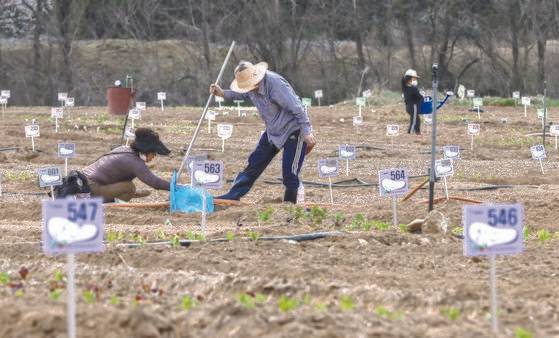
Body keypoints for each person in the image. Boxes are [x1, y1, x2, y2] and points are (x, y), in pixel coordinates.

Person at [209, 61, 316, 203]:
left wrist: (307, 131)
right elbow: (243, 96)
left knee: (290, 172)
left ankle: (290, 207)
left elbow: (297, 107)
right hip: (273, 131)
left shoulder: (275, 85)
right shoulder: (250, 90)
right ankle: (234, 195)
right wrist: (222, 93)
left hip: (294, 130)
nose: (249, 89)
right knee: (255, 162)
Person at [82, 128, 171, 203]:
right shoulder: (134, 162)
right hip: (90, 190)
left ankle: (125, 195)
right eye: (154, 153)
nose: (154, 157)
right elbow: (155, 182)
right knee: (129, 187)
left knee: (128, 187)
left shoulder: (123, 149)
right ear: (146, 151)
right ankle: (113, 207)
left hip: (82, 184)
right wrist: (175, 187)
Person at [401, 69, 423, 135]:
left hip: (409, 107)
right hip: (414, 107)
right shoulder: (412, 88)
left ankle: (417, 132)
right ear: (409, 78)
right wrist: (422, 96)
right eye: (414, 78)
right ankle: (410, 133)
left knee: (417, 119)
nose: (415, 80)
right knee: (414, 121)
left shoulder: (405, 87)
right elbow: (419, 96)